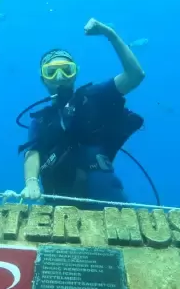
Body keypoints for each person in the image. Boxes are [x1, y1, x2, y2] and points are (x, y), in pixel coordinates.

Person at [18, 18, 146, 210]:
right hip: (59, 207)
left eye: (66, 70)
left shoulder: (93, 97)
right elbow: (33, 152)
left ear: (75, 74)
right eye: (52, 72)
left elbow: (135, 75)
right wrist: (31, 182)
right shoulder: (41, 120)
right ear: (43, 79)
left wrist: (110, 34)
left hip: (107, 201)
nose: (60, 77)